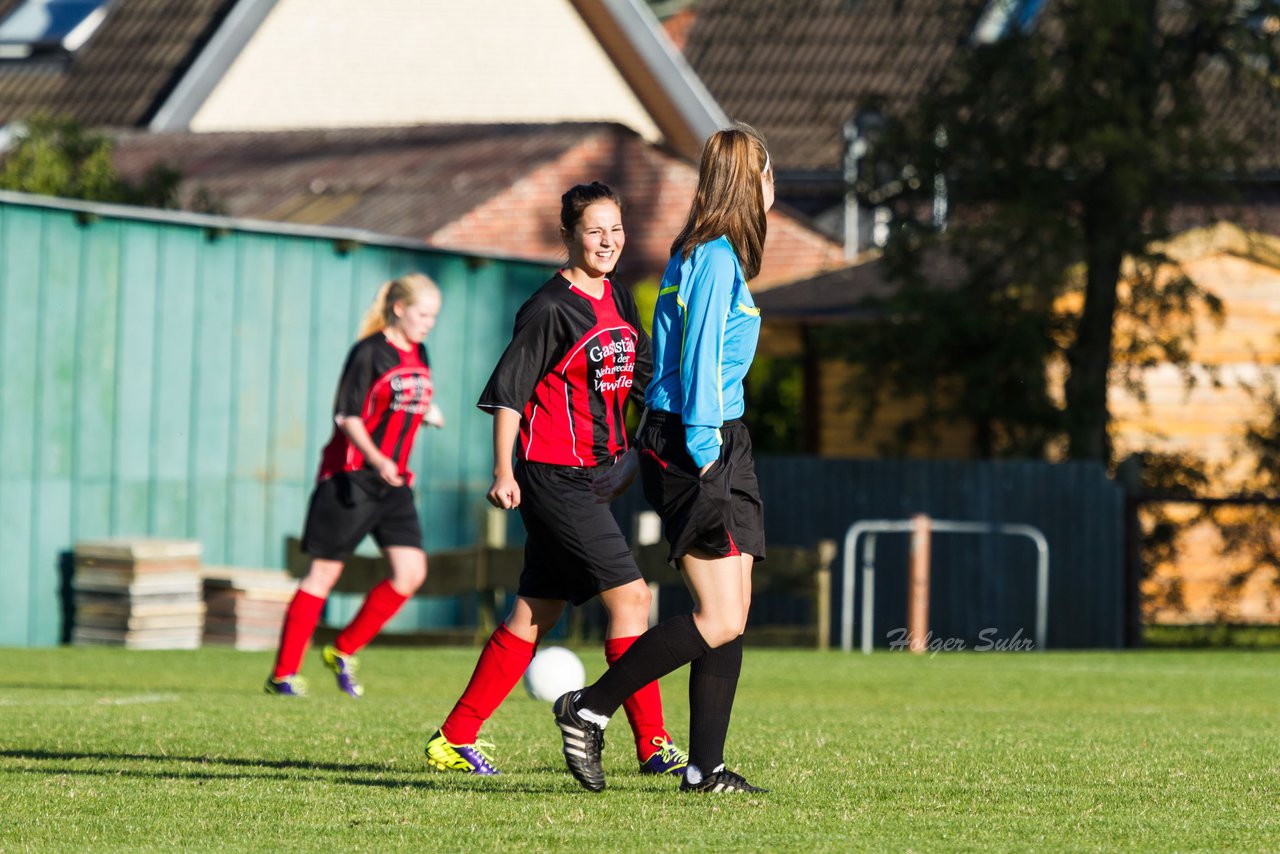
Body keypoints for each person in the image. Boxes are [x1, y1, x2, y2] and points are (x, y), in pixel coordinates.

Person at [422, 182, 688, 779]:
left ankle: (453, 738)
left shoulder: (620, 295)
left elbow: (642, 377)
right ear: (568, 234)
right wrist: (502, 470)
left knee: (534, 614)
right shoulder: (548, 307)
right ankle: (653, 747)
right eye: (595, 230)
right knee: (634, 600)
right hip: (551, 477)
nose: (607, 241)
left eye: (616, 230)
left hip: (596, 480)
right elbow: (508, 395)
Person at [552, 125, 773, 794]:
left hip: (705, 437)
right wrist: (703, 456)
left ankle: (705, 768)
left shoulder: (704, 252)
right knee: (719, 616)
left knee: (731, 612)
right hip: (701, 442)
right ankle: (590, 707)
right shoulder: (715, 260)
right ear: (748, 181)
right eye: (766, 172)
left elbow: (670, 362)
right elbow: (699, 366)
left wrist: (646, 445)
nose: (773, 185)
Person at [265, 273, 444, 698]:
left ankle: (343, 650)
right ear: (399, 309)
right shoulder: (368, 353)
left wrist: (427, 411)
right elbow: (347, 416)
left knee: (410, 573)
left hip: (394, 482)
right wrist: (377, 457)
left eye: (434, 316)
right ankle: (283, 675)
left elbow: (403, 400)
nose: (429, 323)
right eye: (423, 314)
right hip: (351, 478)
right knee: (323, 574)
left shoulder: (420, 351)